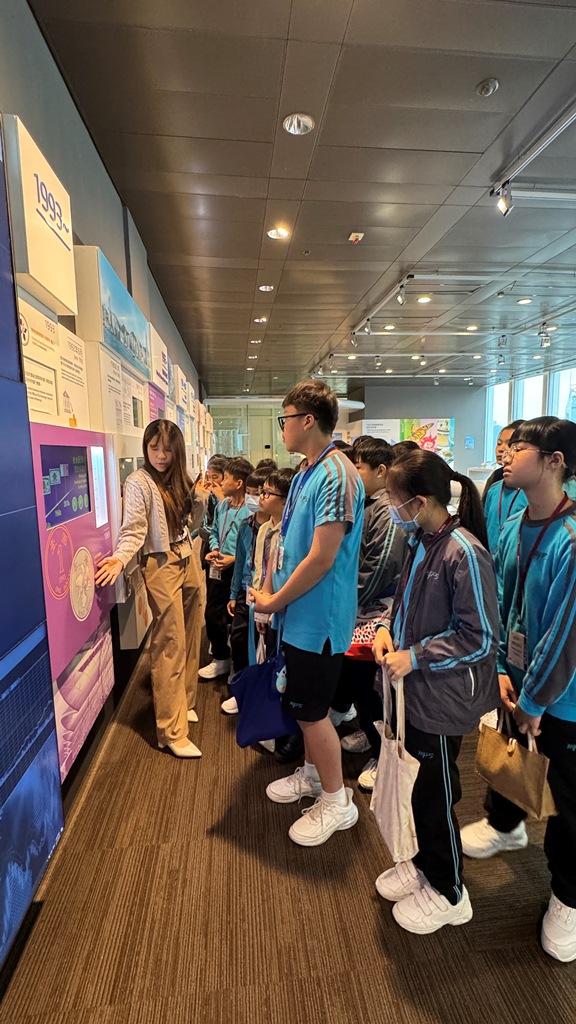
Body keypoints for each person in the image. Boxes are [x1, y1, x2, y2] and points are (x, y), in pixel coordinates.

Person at [460, 417, 576, 963]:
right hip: (518, 678)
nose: (506, 455)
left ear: (555, 462)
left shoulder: (570, 538)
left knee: (569, 801)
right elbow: (504, 601)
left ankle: (568, 897)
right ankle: (507, 826)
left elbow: (564, 636)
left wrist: (534, 701)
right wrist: (503, 668)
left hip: (564, 697)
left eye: (520, 447)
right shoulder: (513, 525)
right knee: (511, 756)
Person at [372, 450, 499, 934]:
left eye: (396, 501)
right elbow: (405, 603)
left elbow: (480, 637)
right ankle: (425, 864)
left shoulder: (463, 552)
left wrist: (417, 655)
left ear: (420, 501)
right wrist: (386, 628)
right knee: (417, 788)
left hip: (442, 699)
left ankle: (450, 891)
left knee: (434, 793)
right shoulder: (422, 540)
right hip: (415, 694)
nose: (392, 510)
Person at [251, 379, 364, 847]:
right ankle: (315, 776)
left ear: (308, 420)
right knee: (303, 708)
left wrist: (275, 600)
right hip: (297, 616)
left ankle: (337, 802)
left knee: (313, 713)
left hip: (319, 619)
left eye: (286, 419)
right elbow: (288, 544)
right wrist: (271, 592)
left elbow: (322, 558)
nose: (283, 427)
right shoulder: (305, 472)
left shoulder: (337, 474)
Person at [94, 419, 203, 759]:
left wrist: (199, 499)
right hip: (161, 562)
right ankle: (170, 730)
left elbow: (192, 523)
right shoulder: (138, 481)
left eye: (167, 449)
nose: (160, 455)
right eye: (154, 448)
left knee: (192, 630)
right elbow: (134, 529)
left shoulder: (179, 478)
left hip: (186, 554)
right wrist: (119, 558)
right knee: (170, 640)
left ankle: (184, 701)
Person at [334, 437, 406, 791]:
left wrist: (349, 598)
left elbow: (381, 566)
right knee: (361, 683)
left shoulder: (387, 510)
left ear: (381, 470)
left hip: (376, 611)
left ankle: (384, 754)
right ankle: (370, 734)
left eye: (359, 467)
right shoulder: (367, 503)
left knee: (372, 687)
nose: (353, 472)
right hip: (361, 607)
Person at [220, 468, 270, 715]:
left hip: (268, 595)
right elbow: (240, 562)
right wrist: (233, 594)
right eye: (249, 492)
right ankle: (241, 692)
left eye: (259, 493)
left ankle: (264, 694)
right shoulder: (245, 525)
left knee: (265, 647)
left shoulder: (279, 527)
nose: (253, 498)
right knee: (239, 641)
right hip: (245, 591)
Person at [199, 456, 253, 680]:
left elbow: (253, 547)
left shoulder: (251, 510)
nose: (221, 482)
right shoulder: (222, 505)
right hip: (217, 566)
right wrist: (214, 548)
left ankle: (237, 665)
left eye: (226, 477)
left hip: (238, 570)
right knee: (212, 614)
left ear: (239, 483)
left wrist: (233, 559)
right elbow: (213, 531)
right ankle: (220, 658)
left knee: (236, 621)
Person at [482, 420, 527, 552]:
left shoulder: (532, 490)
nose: (501, 449)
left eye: (509, 444)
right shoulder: (495, 484)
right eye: (498, 443)